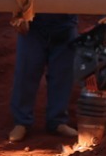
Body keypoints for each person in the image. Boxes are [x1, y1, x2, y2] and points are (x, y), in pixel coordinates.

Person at [8, 12, 79, 143]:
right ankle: (21, 123)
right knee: (27, 72)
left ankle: (57, 122)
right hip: (32, 25)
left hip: (65, 25)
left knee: (62, 75)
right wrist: (18, 16)